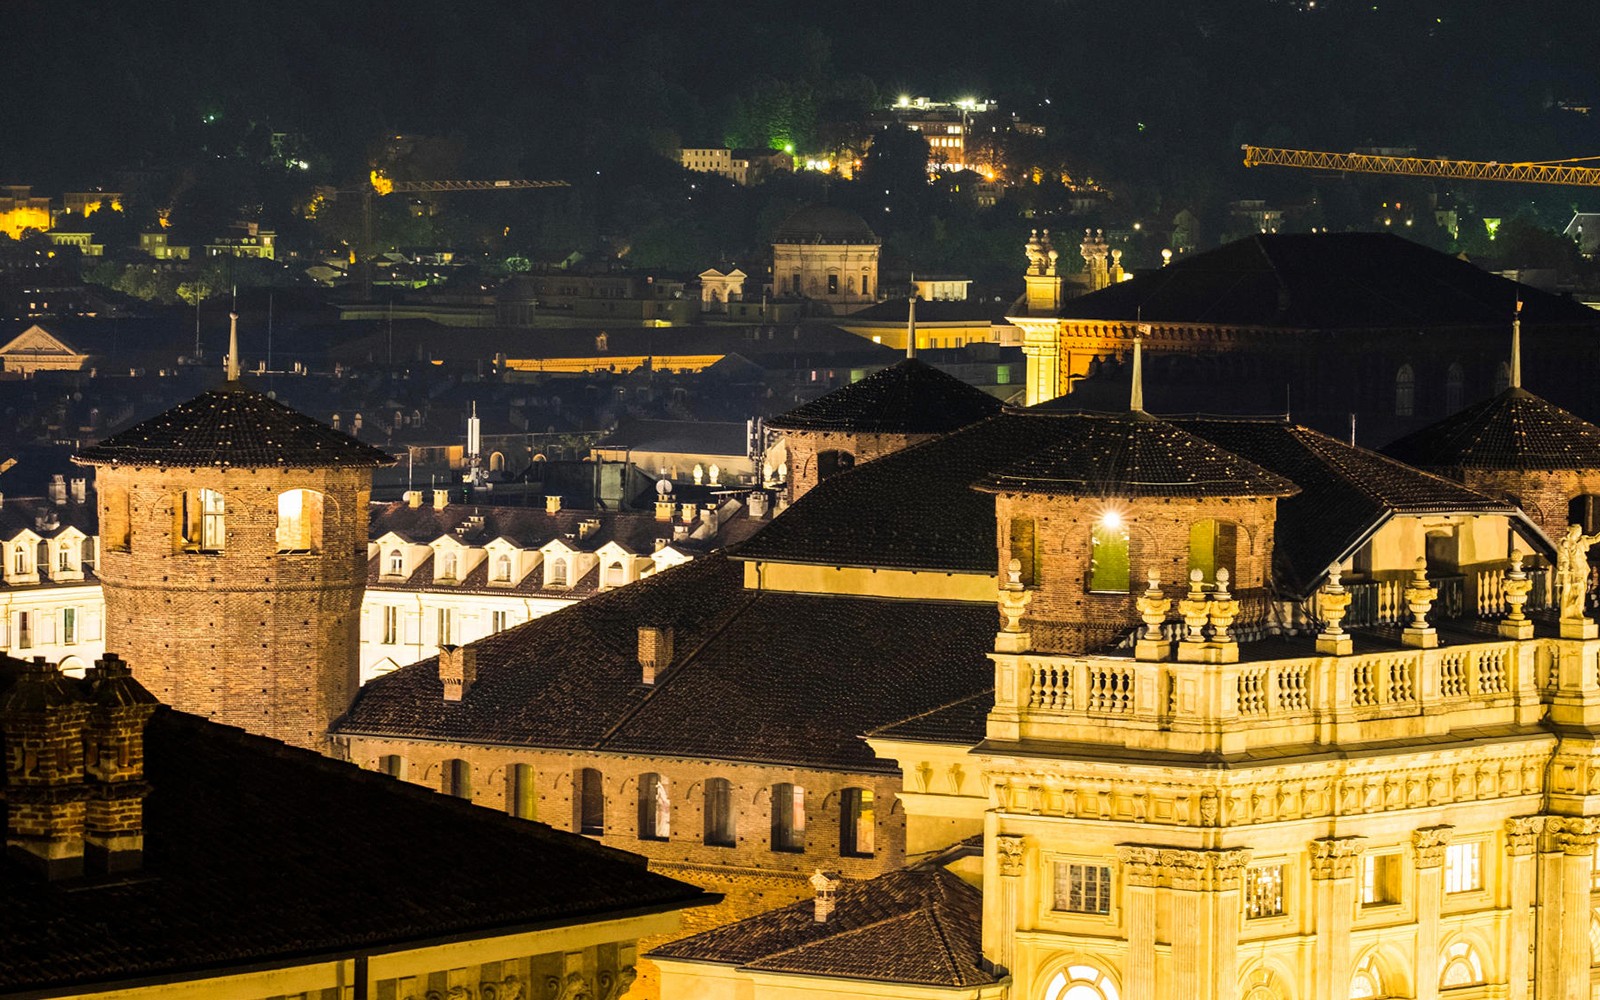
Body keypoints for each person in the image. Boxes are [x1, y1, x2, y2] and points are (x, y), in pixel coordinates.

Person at [1556, 523, 1600, 620]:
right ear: (1572, 531)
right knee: (1572, 591)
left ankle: (1578, 612)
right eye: (1578, 531)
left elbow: (1596, 539)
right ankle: (1570, 613)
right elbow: (1563, 556)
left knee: (1581, 591)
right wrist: (1565, 566)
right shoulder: (1565, 543)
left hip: (1582, 568)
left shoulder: (1582, 541)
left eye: (1580, 531)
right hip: (1573, 570)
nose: (1579, 533)